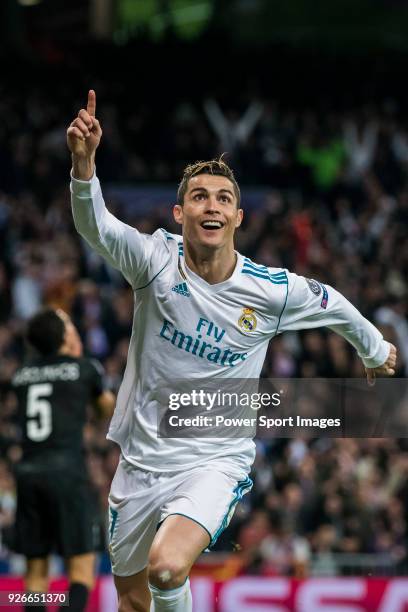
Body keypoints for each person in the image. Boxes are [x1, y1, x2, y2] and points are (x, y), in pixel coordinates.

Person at [67, 90, 397, 612]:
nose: (212, 205)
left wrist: (373, 348)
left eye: (223, 198)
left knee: (168, 567)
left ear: (239, 216)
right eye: (200, 196)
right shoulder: (153, 260)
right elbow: (96, 226)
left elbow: (332, 302)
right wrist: (84, 166)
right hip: (140, 461)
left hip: (215, 458)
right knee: (132, 600)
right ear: (180, 212)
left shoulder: (269, 290)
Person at [11, 308, 115, 612]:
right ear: (64, 336)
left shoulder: (21, 375)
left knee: (35, 574)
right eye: (68, 325)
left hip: (28, 474)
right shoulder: (83, 369)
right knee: (82, 569)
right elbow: (105, 409)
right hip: (68, 473)